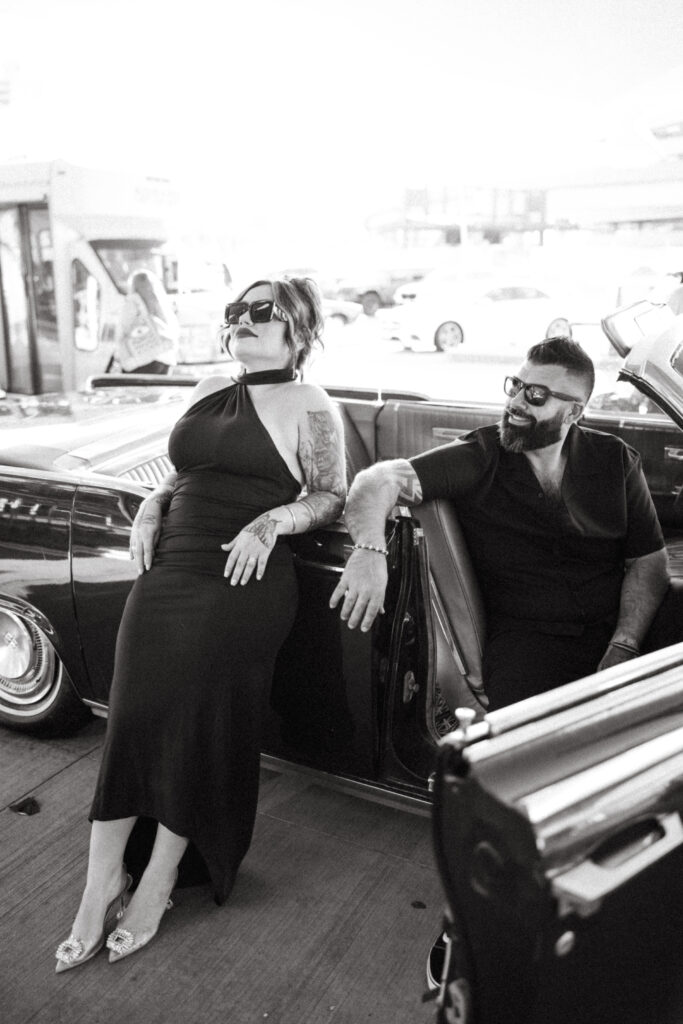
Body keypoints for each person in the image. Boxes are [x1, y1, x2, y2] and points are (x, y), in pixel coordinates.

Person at [55, 276, 346, 970]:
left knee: (196, 731)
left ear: (297, 330)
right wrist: (154, 505)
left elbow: (330, 494)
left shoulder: (310, 404)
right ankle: (101, 885)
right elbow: (179, 471)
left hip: (239, 585)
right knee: (130, 718)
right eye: (234, 312)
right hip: (168, 575)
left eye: (260, 312)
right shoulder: (206, 388)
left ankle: (156, 883)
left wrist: (273, 522)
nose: (241, 321)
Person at [330, 337, 670, 711]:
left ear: (573, 413)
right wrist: (368, 551)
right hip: (530, 641)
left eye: (537, 395)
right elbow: (377, 480)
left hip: (619, 624)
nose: (516, 402)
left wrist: (625, 644)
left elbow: (648, 560)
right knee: (531, 747)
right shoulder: (480, 456)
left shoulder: (614, 459)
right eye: (516, 386)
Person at [116, 268, 180, 374]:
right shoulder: (158, 301)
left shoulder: (132, 303)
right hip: (164, 358)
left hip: (139, 359)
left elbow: (124, 329)